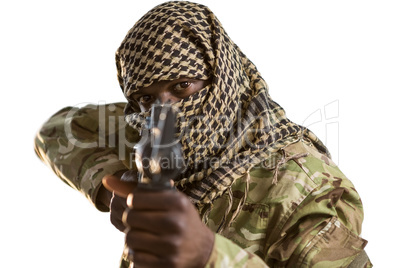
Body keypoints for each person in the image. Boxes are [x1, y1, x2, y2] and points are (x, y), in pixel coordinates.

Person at [34, 1, 372, 267]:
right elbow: (58, 129)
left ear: (220, 75)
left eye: (182, 86)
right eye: (147, 97)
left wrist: (208, 255)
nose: (165, 111)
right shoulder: (149, 131)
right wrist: (114, 185)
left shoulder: (304, 186)